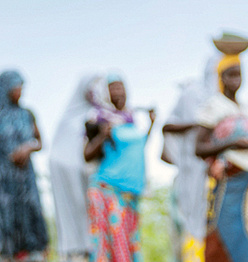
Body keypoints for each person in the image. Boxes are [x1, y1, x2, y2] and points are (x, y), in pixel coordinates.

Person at [195, 44, 248, 262]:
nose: (236, 79)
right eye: (231, 74)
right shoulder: (213, 107)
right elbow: (199, 148)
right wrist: (233, 143)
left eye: (239, 74)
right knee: (225, 239)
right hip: (229, 182)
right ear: (221, 77)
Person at [84, 74, 156, 262]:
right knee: (114, 244)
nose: (119, 92)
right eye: (113, 88)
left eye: (121, 87)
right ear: (106, 93)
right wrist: (102, 135)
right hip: (108, 189)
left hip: (130, 193)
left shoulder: (130, 118)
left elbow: (137, 149)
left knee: (129, 243)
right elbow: (87, 154)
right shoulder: (100, 118)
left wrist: (152, 124)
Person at [161, 55, 218, 262]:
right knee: (188, 224)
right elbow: (167, 127)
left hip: (215, 177)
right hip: (190, 175)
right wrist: (197, 124)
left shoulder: (221, 100)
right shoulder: (192, 94)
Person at [0, 70, 49, 261]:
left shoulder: (27, 114)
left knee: (30, 215)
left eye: (21, 87)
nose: (20, 91)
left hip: (25, 178)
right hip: (1, 179)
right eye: (16, 86)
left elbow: (40, 142)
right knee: (4, 219)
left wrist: (27, 148)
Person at [51, 75, 106, 262]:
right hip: (68, 182)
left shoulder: (101, 116)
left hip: (92, 180)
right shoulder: (69, 120)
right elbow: (57, 156)